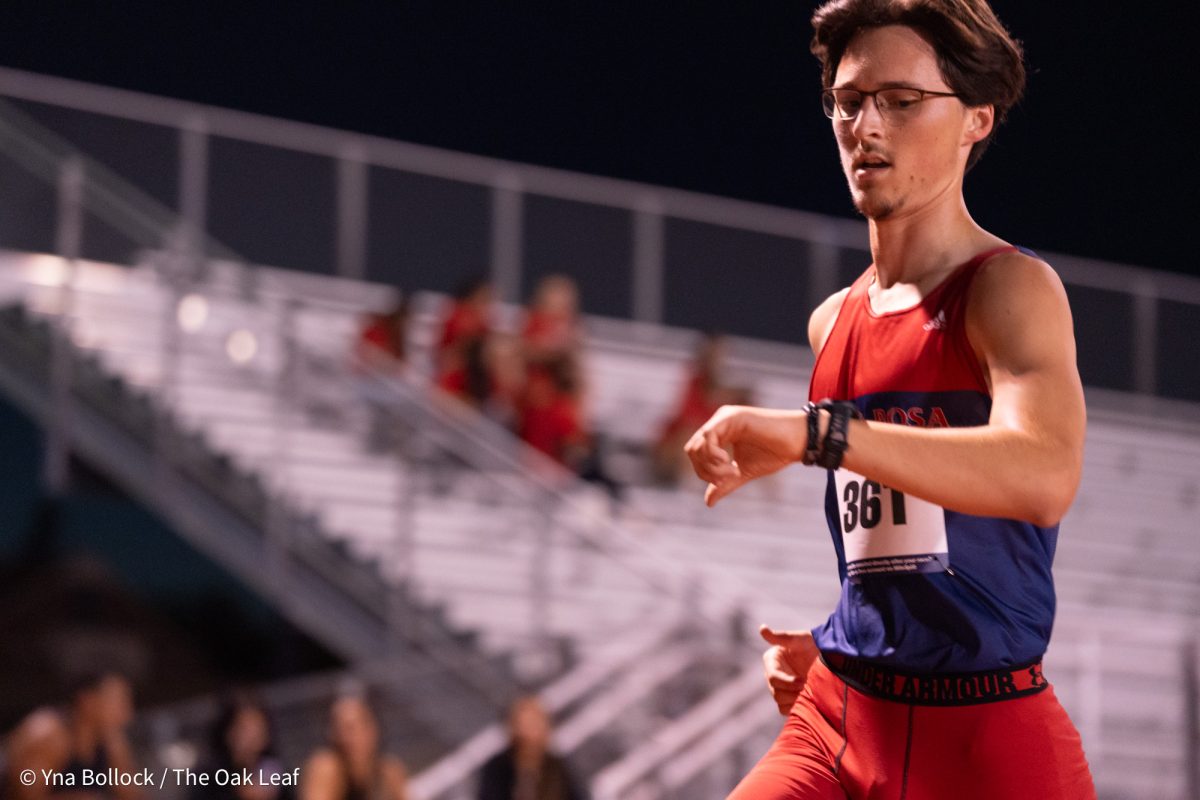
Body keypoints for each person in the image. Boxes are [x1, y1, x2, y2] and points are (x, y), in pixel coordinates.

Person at [685, 1, 1096, 797]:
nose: (865, 125)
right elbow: (899, 536)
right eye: (848, 99)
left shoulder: (1010, 288)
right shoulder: (832, 322)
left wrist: (822, 435)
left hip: (985, 741)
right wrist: (853, 638)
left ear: (976, 119)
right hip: (843, 715)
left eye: (901, 101)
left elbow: (1045, 476)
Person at [2, 671, 138, 800]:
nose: (126, 713)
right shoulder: (48, 735)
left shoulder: (111, 740)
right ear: (87, 700)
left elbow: (130, 793)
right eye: (119, 702)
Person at [299, 695, 407, 800]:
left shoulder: (389, 771)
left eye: (350, 728)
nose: (343, 736)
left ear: (373, 729)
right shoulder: (326, 767)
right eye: (337, 729)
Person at [477, 696, 585, 800]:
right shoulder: (496, 768)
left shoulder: (559, 770)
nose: (529, 733)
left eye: (535, 723)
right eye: (523, 724)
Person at [191, 693, 292, 800]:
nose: (253, 736)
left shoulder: (276, 771)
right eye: (245, 729)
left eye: (258, 727)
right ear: (228, 732)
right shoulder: (209, 777)